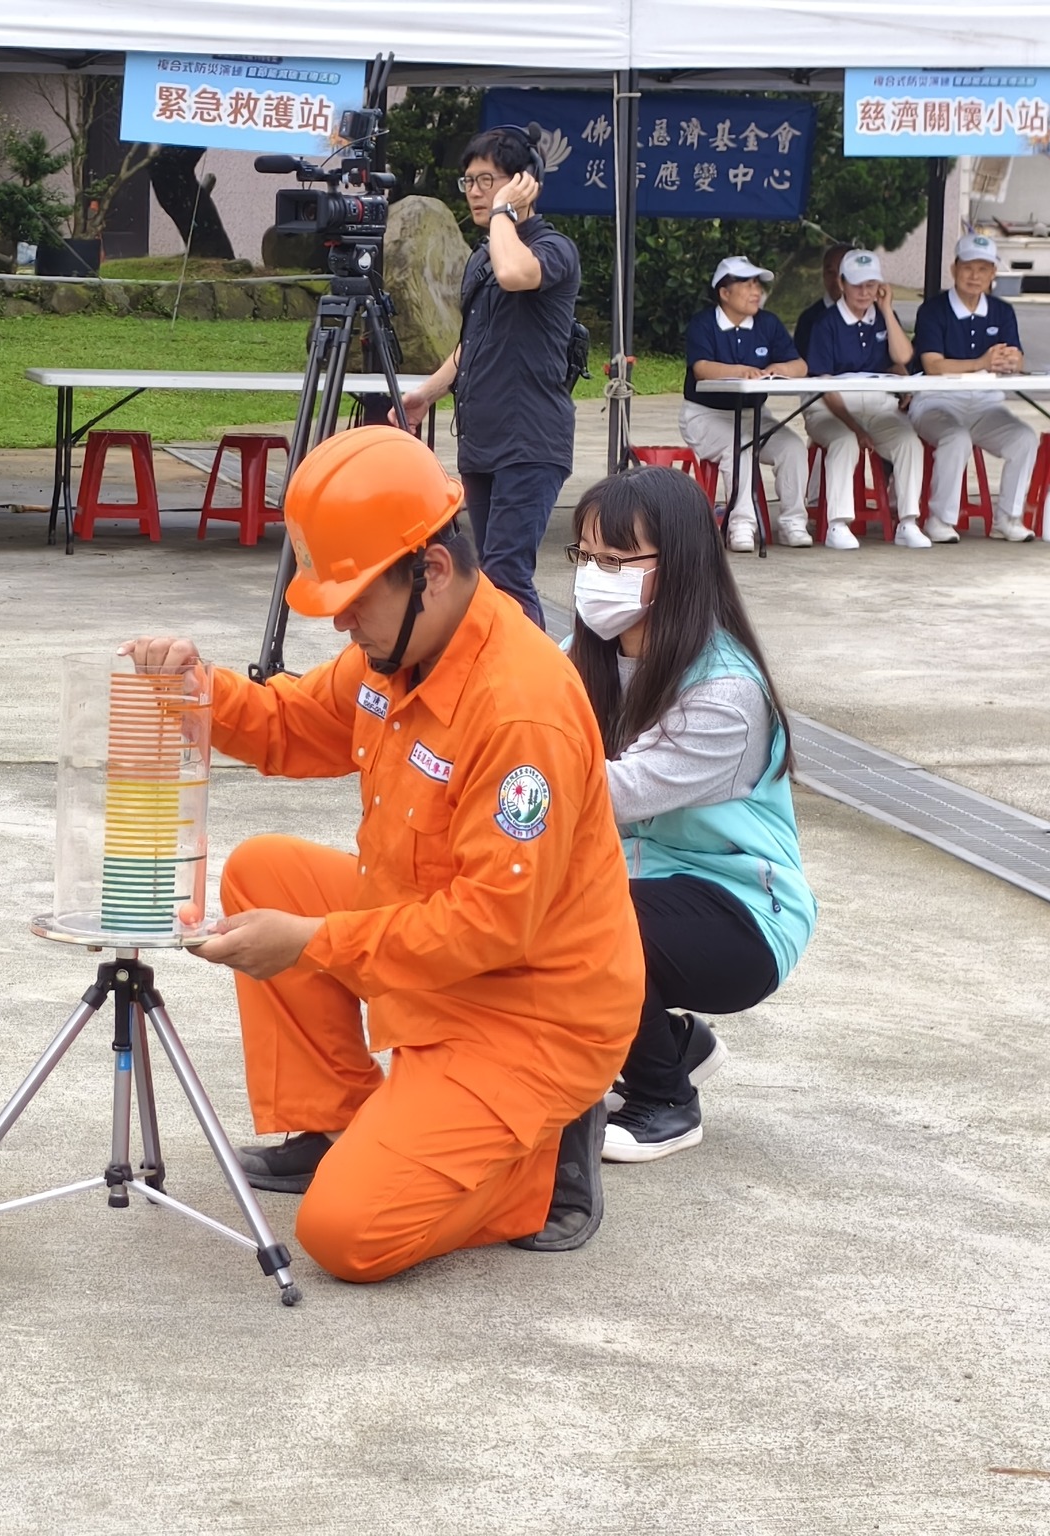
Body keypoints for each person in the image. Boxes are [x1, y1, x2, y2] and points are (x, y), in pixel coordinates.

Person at [122, 426, 643, 1283]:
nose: (344, 621)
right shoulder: (398, 651)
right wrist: (195, 688)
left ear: (431, 570)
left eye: (355, 598)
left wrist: (310, 944)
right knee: (267, 870)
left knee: (347, 1235)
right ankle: (344, 1123)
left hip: (529, 1014)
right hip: (431, 957)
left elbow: (490, 928)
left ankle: (534, 1172)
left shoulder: (519, 713)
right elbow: (293, 724)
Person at [563, 467, 817, 1161]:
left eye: (617, 560)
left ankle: (665, 1102)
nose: (595, 575)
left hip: (741, 912)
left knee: (579, 921)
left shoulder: (727, 693)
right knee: (554, 908)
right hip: (643, 888)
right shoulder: (583, 661)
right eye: (585, 557)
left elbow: (607, 794)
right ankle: (677, 1044)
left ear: (677, 567)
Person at [391, 126, 580, 627]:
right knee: (486, 576)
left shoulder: (553, 248)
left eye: (485, 180)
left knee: (507, 572)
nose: (474, 191)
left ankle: (539, 688)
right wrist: (426, 395)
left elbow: (517, 275)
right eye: (468, 181)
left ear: (524, 184)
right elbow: (472, 344)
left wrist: (503, 215)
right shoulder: (482, 257)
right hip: (483, 440)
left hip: (531, 440)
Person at [909, 234, 1038, 543]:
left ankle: (1008, 517)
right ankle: (939, 519)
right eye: (968, 268)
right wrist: (981, 361)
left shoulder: (1002, 311)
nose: (975, 276)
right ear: (954, 269)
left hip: (985, 403)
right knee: (956, 437)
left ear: (993, 274)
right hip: (935, 402)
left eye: (983, 269)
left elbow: (1016, 355)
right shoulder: (933, 310)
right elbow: (933, 366)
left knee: (1024, 438)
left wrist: (1012, 361)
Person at [678, 256, 812, 552]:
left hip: (755, 414)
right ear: (724, 293)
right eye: (747, 283)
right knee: (741, 447)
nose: (756, 291)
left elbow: (799, 365)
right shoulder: (704, 323)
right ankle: (741, 524)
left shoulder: (768, 323)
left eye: (757, 284)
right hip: (706, 415)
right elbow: (701, 368)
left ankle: (793, 521)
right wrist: (740, 371)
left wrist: (781, 370)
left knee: (792, 447)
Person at [803, 249, 927, 550]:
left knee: (909, 441)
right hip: (830, 408)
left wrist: (886, 310)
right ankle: (838, 524)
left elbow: (902, 357)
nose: (864, 292)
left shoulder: (884, 317)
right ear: (842, 284)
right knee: (844, 442)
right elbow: (825, 386)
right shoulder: (826, 323)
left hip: (877, 406)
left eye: (871, 285)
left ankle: (908, 521)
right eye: (857, 284)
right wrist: (855, 428)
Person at [792, 244, 851, 360]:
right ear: (823, 274)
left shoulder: (879, 315)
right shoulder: (809, 319)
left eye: (841, 272)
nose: (836, 279)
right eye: (830, 272)